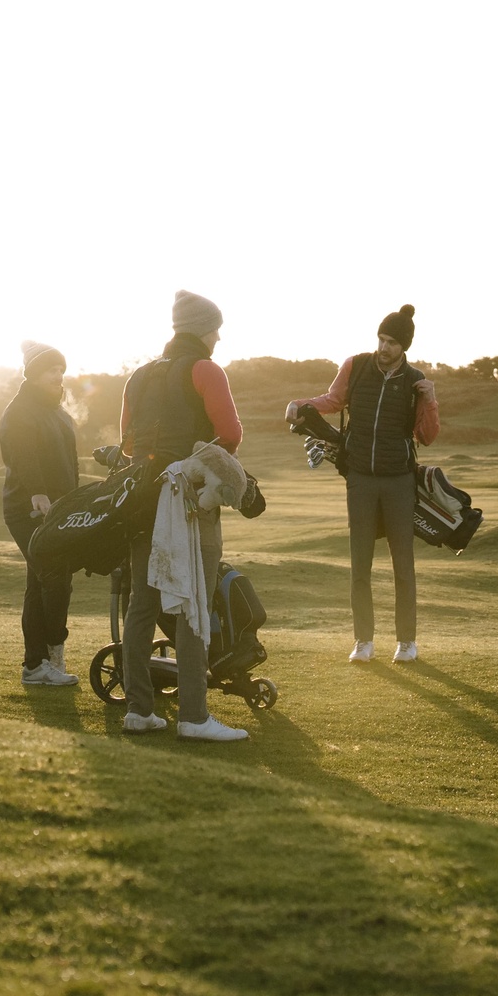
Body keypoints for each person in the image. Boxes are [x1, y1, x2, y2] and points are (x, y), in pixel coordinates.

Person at [118, 290, 249, 742]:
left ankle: (139, 710)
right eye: (215, 327)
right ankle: (194, 717)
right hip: (188, 500)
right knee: (193, 599)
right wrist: (201, 464)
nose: (218, 336)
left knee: (142, 601)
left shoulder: (138, 376)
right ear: (201, 329)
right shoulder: (206, 369)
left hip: (139, 497)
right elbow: (230, 433)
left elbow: (129, 445)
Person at [284, 303, 441, 663]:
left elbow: (427, 436)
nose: (383, 348)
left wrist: (430, 399)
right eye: (381, 339)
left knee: (404, 564)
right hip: (360, 478)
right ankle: (363, 641)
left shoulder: (415, 381)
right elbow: (332, 400)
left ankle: (406, 642)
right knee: (360, 564)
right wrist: (300, 403)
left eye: (391, 342)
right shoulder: (355, 366)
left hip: (399, 480)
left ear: (404, 346)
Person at [1, 341, 81, 688]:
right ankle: (50, 656)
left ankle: (37, 665)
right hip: (29, 509)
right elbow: (23, 456)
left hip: (58, 508)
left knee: (40, 581)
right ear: (33, 375)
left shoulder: (56, 411)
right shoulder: (20, 411)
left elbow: (68, 461)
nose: (58, 376)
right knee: (54, 577)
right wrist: (38, 492)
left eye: (61, 370)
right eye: (52, 370)